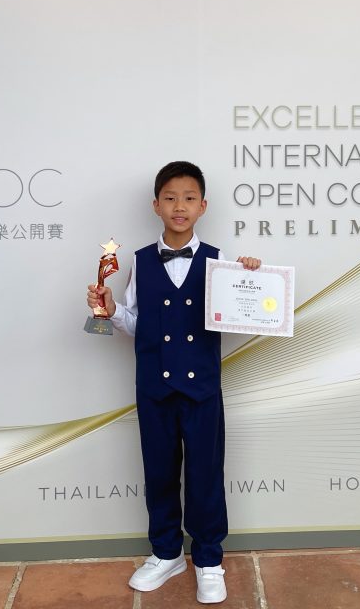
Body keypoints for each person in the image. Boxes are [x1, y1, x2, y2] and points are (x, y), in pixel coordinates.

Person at [87, 161, 261, 605]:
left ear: (203, 206)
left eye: (188, 198)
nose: (179, 206)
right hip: (155, 390)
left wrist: (251, 279)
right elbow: (136, 324)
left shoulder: (221, 261)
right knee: (159, 474)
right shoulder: (141, 261)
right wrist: (110, 309)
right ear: (156, 205)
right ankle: (166, 553)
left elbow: (240, 315)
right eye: (170, 198)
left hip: (202, 390)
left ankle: (208, 559)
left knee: (205, 475)